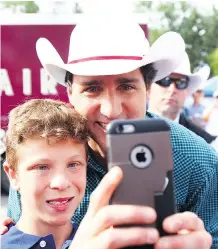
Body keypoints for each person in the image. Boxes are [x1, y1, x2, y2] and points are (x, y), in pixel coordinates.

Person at [3, 13, 217, 249]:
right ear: (70, 93)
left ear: (147, 89)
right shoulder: (41, 155)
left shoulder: (199, 162)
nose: (111, 110)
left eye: (126, 86)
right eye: (92, 88)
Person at [1, 99, 90, 248]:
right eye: (42, 167)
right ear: (13, 175)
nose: (61, 183)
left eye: (73, 164)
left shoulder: (98, 242)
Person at [148, 52, 217, 144]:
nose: (172, 89)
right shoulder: (126, 129)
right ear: (148, 88)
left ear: (187, 91)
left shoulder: (205, 143)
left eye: (181, 82)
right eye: (164, 80)